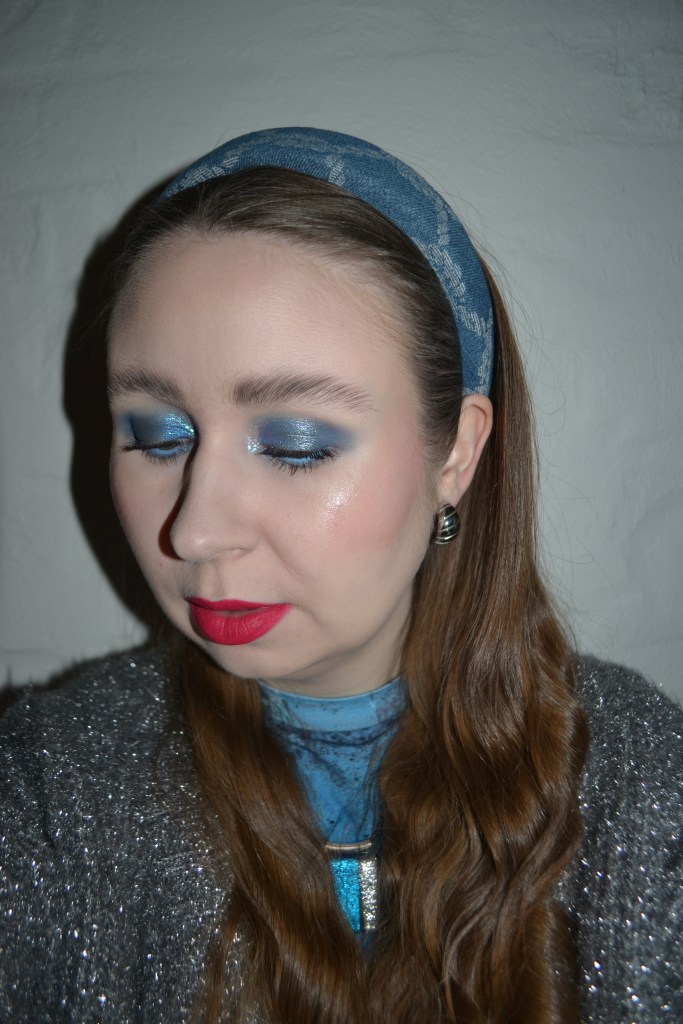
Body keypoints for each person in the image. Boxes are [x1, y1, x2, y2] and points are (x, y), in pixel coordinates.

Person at [1, 128, 681, 1024]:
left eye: (294, 445)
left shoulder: (641, 786)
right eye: (157, 435)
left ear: (456, 452)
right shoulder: (51, 791)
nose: (195, 531)